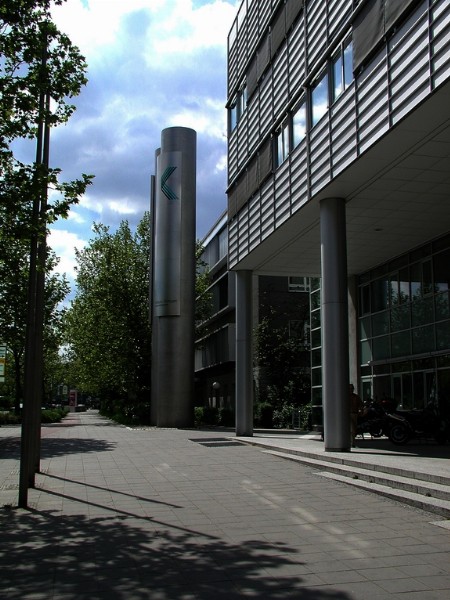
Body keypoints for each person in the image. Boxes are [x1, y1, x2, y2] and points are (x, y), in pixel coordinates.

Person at [350, 384, 364, 448]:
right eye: (350, 389)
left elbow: (360, 404)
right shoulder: (345, 396)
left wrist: (361, 411)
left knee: (354, 429)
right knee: (351, 428)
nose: (351, 390)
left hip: (355, 414)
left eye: (352, 388)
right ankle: (351, 443)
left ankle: (352, 442)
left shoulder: (356, 397)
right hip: (348, 414)